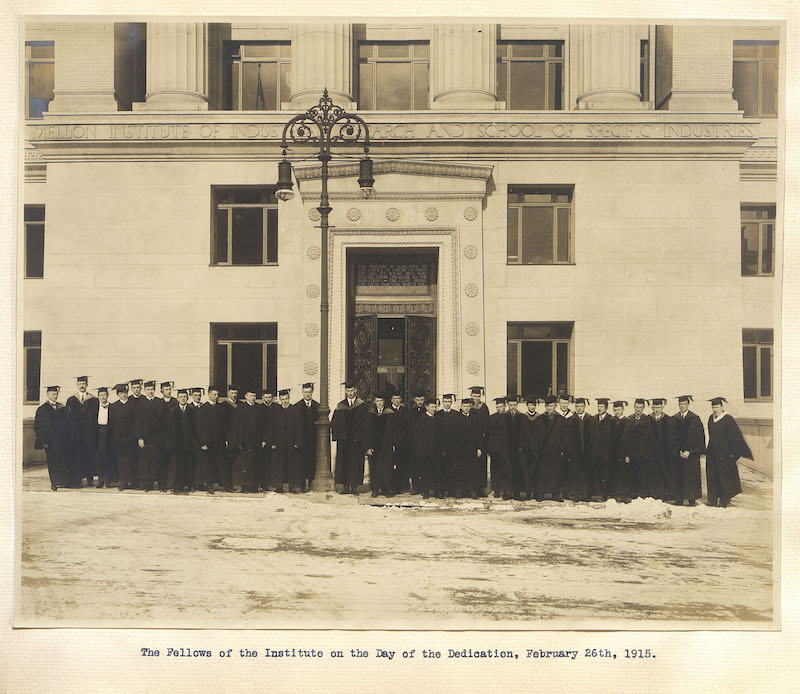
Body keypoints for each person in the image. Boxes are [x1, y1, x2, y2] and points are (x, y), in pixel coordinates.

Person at [705, 397, 753, 508]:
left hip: (724, 454)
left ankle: (723, 500)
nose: (715, 409)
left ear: (722, 407)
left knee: (724, 477)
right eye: (713, 407)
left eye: (717, 407)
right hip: (712, 452)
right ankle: (712, 499)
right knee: (712, 475)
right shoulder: (710, 419)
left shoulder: (728, 419)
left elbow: (735, 437)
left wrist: (733, 452)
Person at [530, 395, 572, 501]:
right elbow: (535, 436)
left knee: (556, 473)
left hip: (556, 451)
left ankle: (556, 494)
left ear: (555, 406)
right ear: (545, 407)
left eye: (552, 406)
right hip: (543, 451)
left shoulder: (561, 420)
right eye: (548, 406)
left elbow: (565, 437)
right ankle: (541, 493)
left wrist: (563, 449)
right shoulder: (540, 419)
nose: (549, 408)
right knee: (542, 472)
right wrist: (536, 449)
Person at [331, 381, 368, 495]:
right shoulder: (340, 405)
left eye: (352, 390)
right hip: (344, 440)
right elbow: (335, 422)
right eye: (348, 391)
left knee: (355, 463)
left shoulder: (362, 405)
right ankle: (345, 486)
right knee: (344, 463)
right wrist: (339, 435)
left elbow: (365, 423)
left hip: (356, 440)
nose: (350, 393)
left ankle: (354, 486)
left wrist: (361, 437)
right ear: (345, 391)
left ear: (355, 390)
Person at [231, 385, 267, 493]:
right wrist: (239, 441)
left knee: (255, 464)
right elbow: (237, 425)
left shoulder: (259, 408)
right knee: (244, 464)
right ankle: (245, 486)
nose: (253, 398)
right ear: (246, 396)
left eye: (254, 396)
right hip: (245, 441)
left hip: (256, 441)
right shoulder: (240, 408)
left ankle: (254, 486)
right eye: (250, 395)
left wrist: (263, 439)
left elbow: (263, 425)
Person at [34, 385, 70, 491]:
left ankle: (62, 481)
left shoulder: (62, 408)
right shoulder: (42, 409)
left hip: (61, 441)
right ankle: (53, 482)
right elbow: (38, 427)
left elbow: (67, 425)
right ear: (48, 394)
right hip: (49, 442)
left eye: (56, 394)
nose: (55, 396)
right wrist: (43, 442)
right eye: (53, 394)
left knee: (62, 460)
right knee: (52, 462)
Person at [670, 395, 704, 507]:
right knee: (678, 475)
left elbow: (698, 437)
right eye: (680, 404)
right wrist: (678, 450)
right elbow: (672, 437)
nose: (682, 406)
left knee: (691, 476)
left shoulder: (695, 419)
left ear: (688, 405)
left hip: (691, 454)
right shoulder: (674, 418)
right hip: (678, 453)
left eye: (684, 404)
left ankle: (691, 499)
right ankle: (679, 498)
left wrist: (690, 451)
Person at [619, 398, 655, 499]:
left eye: (640, 407)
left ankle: (641, 497)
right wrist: (625, 455)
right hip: (631, 455)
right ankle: (632, 497)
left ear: (643, 408)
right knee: (631, 476)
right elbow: (624, 440)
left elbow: (651, 439)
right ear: (634, 407)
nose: (638, 409)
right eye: (637, 407)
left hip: (644, 456)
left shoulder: (647, 420)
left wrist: (649, 454)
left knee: (643, 477)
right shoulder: (629, 420)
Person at [268, 389, 303, 493]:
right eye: (282, 399)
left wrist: (298, 441)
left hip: (291, 443)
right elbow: (272, 427)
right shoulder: (276, 411)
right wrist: (272, 442)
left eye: (286, 399)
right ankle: (279, 486)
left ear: (289, 398)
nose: (284, 401)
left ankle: (292, 486)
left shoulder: (295, 410)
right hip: (279, 443)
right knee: (279, 465)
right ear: (279, 399)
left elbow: (299, 427)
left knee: (292, 465)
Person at [133, 380, 165, 491]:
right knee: (146, 462)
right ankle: (147, 484)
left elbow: (163, 421)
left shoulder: (159, 402)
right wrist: (140, 437)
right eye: (148, 389)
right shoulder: (140, 403)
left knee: (159, 460)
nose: (150, 391)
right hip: (145, 437)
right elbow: (137, 422)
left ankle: (161, 484)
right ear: (144, 390)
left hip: (157, 437)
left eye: (152, 389)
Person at [65, 375, 96, 488]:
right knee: (77, 457)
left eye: (84, 384)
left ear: (87, 385)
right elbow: (68, 418)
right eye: (80, 384)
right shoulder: (72, 400)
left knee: (89, 456)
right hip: (76, 435)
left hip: (89, 434)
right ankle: (78, 480)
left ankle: (89, 480)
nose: (82, 386)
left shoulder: (93, 400)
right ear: (77, 385)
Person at [450, 398, 484, 498]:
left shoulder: (475, 418)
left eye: (468, 406)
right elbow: (453, 435)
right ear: (461, 407)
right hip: (459, 450)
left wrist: (479, 448)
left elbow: (478, 435)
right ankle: (460, 491)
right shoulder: (456, 418)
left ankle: (470, 490)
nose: (466, 408)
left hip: (471, 449)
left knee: (471, 470)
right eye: (464, 406)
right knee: (460, 470)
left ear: (470, 407)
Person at [365, 393, 397, 497]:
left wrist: (393, 444)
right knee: (374, 467)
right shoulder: (370, 413)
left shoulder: (390, 414)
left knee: (386, 467)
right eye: (377, 401)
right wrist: (368, 446)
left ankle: (385, 489)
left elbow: (393, 431)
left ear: (384, 402)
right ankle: (375, 489)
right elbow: (367, 431)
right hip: (374, 445)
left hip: (386, 445)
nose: (379, 403)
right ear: (374, 402)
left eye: (381, 401)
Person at [195, 385, 226, 493]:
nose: (216, 396)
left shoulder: (220, 408)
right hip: (208, 442)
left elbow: (223, 425)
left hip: (219, 441)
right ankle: (209, 485)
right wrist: (203, 442)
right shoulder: (203, 409)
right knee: (209, 464)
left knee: (220, 462)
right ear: (209, 394)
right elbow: (200, 427)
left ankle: (223, 484)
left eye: (217, 394)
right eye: (214, 394)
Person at [414, 397, 444, 499]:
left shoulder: (438, 419)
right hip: (425, 451)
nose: (434, 409)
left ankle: (437, 491)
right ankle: (425, 490)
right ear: (426, 407)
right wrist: (422, 450)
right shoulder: (421, 419)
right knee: (425, 472)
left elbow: (442, 435)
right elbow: (418, 437)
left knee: (437, 471)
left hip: (436, 451)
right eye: (432, 407)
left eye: (435, 407)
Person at [169, 388, 198, 493]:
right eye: (181, 397)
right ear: (177, 398)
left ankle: (191, 484)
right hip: (178, 443)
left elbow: (196, 427)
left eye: (185, 397)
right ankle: (179, 485)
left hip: (190, 443)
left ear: (188, 398)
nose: (183, 399)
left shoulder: (192, 410)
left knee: (190, 464)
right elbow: (170, 429)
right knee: (178, 464)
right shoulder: (173, 411)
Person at [110, 383, 136, 490]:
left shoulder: (133, 404)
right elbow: (112, 423)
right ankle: (123, 482)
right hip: (119, 439)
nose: (124, 395)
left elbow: (136, 421)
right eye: (121, 393)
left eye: (125, 393)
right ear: (118, 394)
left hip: (131, 438)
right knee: (121, 461)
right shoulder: (114, 406)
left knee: (131, 460)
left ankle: (132, 482)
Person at [649, 398, 676, 501]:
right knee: (653, 474)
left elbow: (671, 437)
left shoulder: (668, 420)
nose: (656, 409)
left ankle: (664, 495)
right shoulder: (649, 419)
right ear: (652, 408)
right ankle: (653, 494)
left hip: (664, 453)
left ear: (662, 407)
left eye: (659, 407)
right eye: (655, 407)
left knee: (664, 473)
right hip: (652, 453)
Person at [294, 382, 319, 492]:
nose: (307, 394)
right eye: (305, 392)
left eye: (309, 392)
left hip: (313, 440)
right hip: (301, 440)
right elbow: (294, 425)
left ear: (312, 392)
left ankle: (311, 483)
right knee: (301, 462)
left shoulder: (317, 406)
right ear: (302, 392)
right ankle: (302, 484)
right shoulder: (297, 406)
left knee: (312, 462)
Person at [568, 397, 593, 501]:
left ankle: (586, 494)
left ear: (584, 407)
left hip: (587, 452)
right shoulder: (571, 420)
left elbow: (594, 436)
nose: (579, 408)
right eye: (577, 406)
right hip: (575, 452)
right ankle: (576, 494)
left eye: (581, 406)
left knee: (586, 473)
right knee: (576, 473)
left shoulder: (590, 419)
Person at [590, 398, 614, 501]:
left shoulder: (611, 420)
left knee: (606, 474)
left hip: (606, 453)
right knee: (597, 473)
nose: (599, 408)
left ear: (606, 408)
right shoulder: (594, 419)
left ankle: (605, 495)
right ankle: (598, 494)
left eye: (601, 407)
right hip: (596, 453)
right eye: (598, 406)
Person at [435, 393, 459, 496]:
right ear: (442, 403)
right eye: (445, 402)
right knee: (441, 469)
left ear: (451, 403)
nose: (447, 404)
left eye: (449, 402)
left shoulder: (456, 415)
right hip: (441, 446)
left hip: (453, 447)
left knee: (452, 469)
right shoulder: (438, 415)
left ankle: (451, 490)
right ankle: (441, 490)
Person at [607, 400, 631, 502]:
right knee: (614, 473)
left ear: (623, 409)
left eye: (619, 410)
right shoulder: (611, 421)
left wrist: (628, 454)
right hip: (613, 453)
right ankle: (616, 494)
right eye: (615, 410)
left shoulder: (628, 422)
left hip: (624, 453)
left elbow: (630, 440)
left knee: (623, 474)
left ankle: (624, 495)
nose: (617, 412)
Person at [487, 397, 511, 498]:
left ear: (504, 407)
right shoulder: (492, 418)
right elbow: (489, 434)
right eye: (497, 407)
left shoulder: (509, 417)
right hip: (495, 449)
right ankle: (496, 490)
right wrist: (490, 448)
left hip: (506, 448)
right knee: (495, 469)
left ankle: (505, 490)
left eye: (501, 407)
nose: (499, 409)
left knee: (505, 470)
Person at [92, 386, 114, 488]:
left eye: (104, 395)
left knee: (108, 456)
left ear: (107, 395)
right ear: (98, 396)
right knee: (99, 457)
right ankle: (100, 479)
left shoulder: (112, 407)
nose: (103, 397)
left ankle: (108, 479)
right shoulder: (94, 407)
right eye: (101, 395)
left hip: (109, 433)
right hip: (98, 433)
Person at [469, 386, 490, 496]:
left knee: (482, 465)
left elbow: (487, 424)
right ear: (471, 396)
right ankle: (472, 489)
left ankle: (481, 489)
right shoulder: (468, 407)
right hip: (470, 441)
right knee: (472, 465)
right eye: (474, 396)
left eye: (478, 396)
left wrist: (484, 435)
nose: (476, 398)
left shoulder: (484, 407)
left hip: (482, 440)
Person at [218, 385, 238, 492]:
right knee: (226, 462)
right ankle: (227, 485)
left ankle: (233, 484)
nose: (234, 395)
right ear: (228, 393)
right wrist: (226, 438)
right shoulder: (224, 406)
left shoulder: (238, 405)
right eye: (232, 393)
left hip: (236, 437)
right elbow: (223, 424)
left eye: (235, 393)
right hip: (227, 438)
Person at [159, 381, 178, 492]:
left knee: (173, 463)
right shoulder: (158, 403)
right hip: (162, 439)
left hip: (173, 438)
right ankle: (162, 484)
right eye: (166, 389)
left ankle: (171, 484)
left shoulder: (175, 402)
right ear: (162, 391)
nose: (168, 391)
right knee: (162, 462)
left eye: (169, 389)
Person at [519, 396, 540, 500]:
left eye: (534, 405)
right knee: (526, 471)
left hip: (536, 449)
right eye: (530, 405)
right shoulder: (523, 417)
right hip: (525, 449)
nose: (532, 407)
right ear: (527, 405)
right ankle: (527, 492)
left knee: (535, 471)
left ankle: (535, 492)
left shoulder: (539, 417)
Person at [388, 391, 409, 494]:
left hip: (402, 441)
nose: (396, 400)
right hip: (390, 441)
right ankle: (392, 486)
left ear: (401, 400)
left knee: (401, 464)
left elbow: (406, 425)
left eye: (398, 398)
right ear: (391, 400)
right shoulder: (387, 410)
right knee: (391, 464)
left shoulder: (405, 411)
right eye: (394, 398)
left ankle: (401, 486)